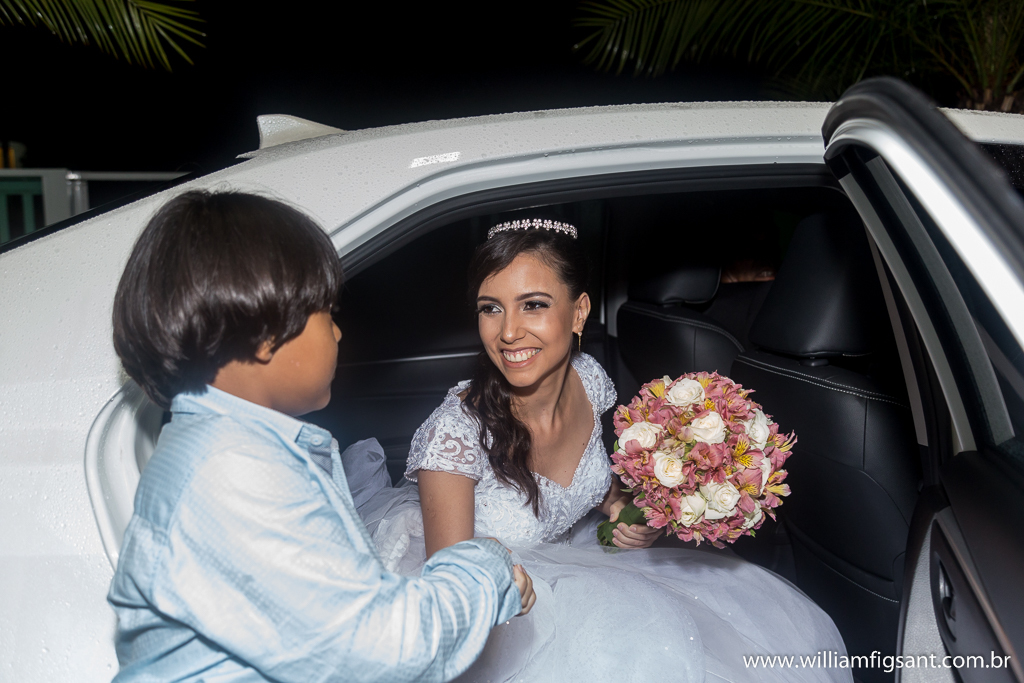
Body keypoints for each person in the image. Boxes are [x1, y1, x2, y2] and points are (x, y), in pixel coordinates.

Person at [348, 218, 854, 683]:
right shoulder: (455, 433)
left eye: (534, 305)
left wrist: (619, 509)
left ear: (579, 311)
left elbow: (596, 485)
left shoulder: (590, 381)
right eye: (490, 309)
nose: (507, 332)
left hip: (575, 560)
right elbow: (452, 594)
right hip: (493, 599)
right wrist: (507, 590)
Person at [106, 190, 535, 683]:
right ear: (266, 331)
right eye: (326, 313)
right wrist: (488, 565)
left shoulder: (229, 446)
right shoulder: (232, 468)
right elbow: (384, 650)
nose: (336, 334)